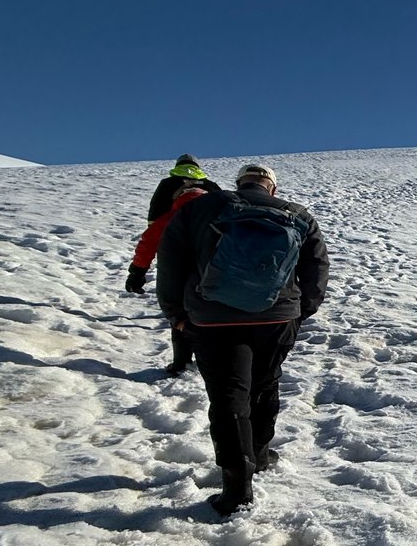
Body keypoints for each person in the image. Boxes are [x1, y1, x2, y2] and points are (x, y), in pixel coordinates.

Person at [156, 162, 329, 516]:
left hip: (212, 319)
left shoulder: (200, 208)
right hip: (277, 318)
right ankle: (261, 453)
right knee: (265, 384)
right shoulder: (297, 214)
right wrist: (301, 310)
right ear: (272, 189)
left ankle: (236, 488)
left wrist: (177, 314)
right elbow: (317, 266)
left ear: (238, 184)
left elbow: (170, 261)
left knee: (228, 397)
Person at [127, 182, 209, 375]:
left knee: (180, 318)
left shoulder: (169, 217)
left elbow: (147, 244)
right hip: (211, 274)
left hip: (177, 275)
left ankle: (181, 362)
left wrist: (137, 272)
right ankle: (212, 360)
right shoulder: (218, 214)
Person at [146, 154, 222, 223]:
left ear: (178, 165)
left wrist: (152, 224)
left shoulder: (167, 183)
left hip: (173, 226)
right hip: (205, 228)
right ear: (197, 166)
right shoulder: (210, 184)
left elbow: (157, 204)